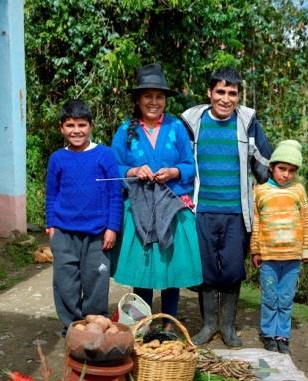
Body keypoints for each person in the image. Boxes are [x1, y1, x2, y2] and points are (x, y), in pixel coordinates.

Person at [181, 67, 272, 347]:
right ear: (209, 93)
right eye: (220, 92)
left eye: (232, 93)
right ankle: (208, 326)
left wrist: (270, 179)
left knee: (232, 270)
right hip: (203, 209)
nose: (225, 98)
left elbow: (266, 161)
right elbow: (181, 161)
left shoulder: (247, 123)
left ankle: (229, 327)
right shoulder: (192, 122)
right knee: (206, 270)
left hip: (236, 211)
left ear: (238, 96)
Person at [111, 63, 202, 327]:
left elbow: (189, 165)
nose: (154, 102)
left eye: (159, 97)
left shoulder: (176, 128)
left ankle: (169, 324)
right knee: (145, 270)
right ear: (138, 100)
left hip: (172, 209)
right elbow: (114, 168)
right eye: (148, 96)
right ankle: (144, 324)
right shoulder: (124, 131)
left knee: (170, 268)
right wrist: (134, 170)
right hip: (139, 211)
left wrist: (173, 172)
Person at [45, 99, 123, 336]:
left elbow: (115, 194)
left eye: (81, 125)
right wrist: (51, 225)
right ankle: (71, 326)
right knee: (65, 283)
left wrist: (112, 227)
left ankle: (94, 325)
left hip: (97, 234)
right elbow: (51, 194)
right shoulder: (57, 158)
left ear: (91, 126)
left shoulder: (105, 155)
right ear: (62, 128)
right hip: (64, 232)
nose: (76, 131)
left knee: (96, 282)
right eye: (70, 125)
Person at [250, 140, 308, 354]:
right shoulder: (260, 191)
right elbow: (256, 222)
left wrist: (307, 249)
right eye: (282, 169)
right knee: (270, 297)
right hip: (269, 256)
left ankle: (282, 336)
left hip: (293, 257)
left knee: (285, 299)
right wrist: (256, 250)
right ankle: (268, 334)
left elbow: (306, 221)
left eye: (291, 171)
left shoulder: (298, 191)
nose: (286, 175)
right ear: (272, 167)